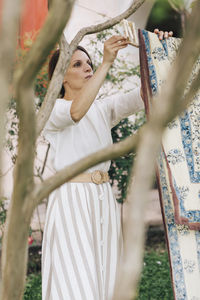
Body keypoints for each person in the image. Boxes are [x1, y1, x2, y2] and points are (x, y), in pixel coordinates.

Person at [42, 29, 173, 300]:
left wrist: (155, 49)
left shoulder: (101, 108)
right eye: (77, 64)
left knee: (106, 272)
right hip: (71, 198)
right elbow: (76, 112)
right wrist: (106, 62)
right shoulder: (51, 110)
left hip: (102, 198)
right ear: (61, 77)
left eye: (88, 62)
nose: (87, 66)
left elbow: (143, 94)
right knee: (76, 273)